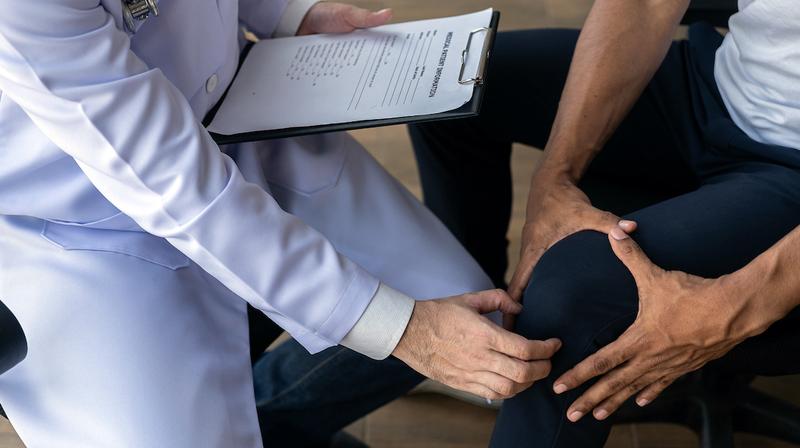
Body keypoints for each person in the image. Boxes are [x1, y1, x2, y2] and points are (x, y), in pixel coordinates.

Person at [0, 1, 562, 446]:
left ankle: (276, 421)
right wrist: (407, 329)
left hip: (237, 114)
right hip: (83, 222)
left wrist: (287, 13)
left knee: (454, 300)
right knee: (398, 325)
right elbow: (171, 182)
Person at [410, 0, 800, 446]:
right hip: (722, 83)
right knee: (451, 89)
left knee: (573, 288)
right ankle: (476, 341)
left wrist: (742, 305)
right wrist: (555, 177)